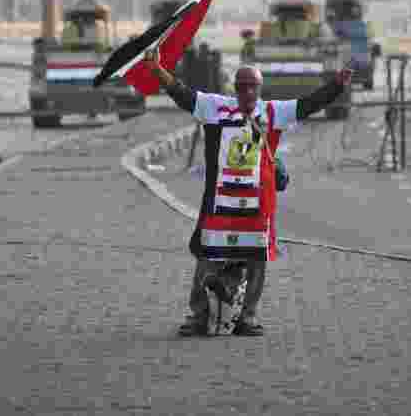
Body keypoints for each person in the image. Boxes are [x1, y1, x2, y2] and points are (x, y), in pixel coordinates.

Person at [142, 46, 353, 337]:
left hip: (258, 205)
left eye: (252, 87)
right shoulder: (214, 107)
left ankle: (247, 316)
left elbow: (308, 105)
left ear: (260, 88)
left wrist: (336, 86)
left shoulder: (273, 112)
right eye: (242, 87)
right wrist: (156, 70)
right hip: (219, 202)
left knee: (256, 261)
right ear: (235, 88)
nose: (247, 93)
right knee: (208, 257)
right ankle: (199, 314)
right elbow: (181, 92)